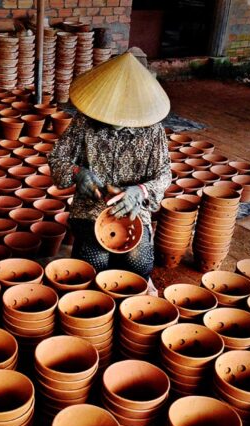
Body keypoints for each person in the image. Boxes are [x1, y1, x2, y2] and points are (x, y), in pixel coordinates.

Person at [47, 52, 171, 294]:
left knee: (138, 262)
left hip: (133, 207)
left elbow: (164, 174)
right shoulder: (84, 122)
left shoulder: (152, 130)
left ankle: (134, 290)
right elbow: (57, 157)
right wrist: (78, 172)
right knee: (94, 262)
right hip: (91, 207)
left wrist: (140, 191)